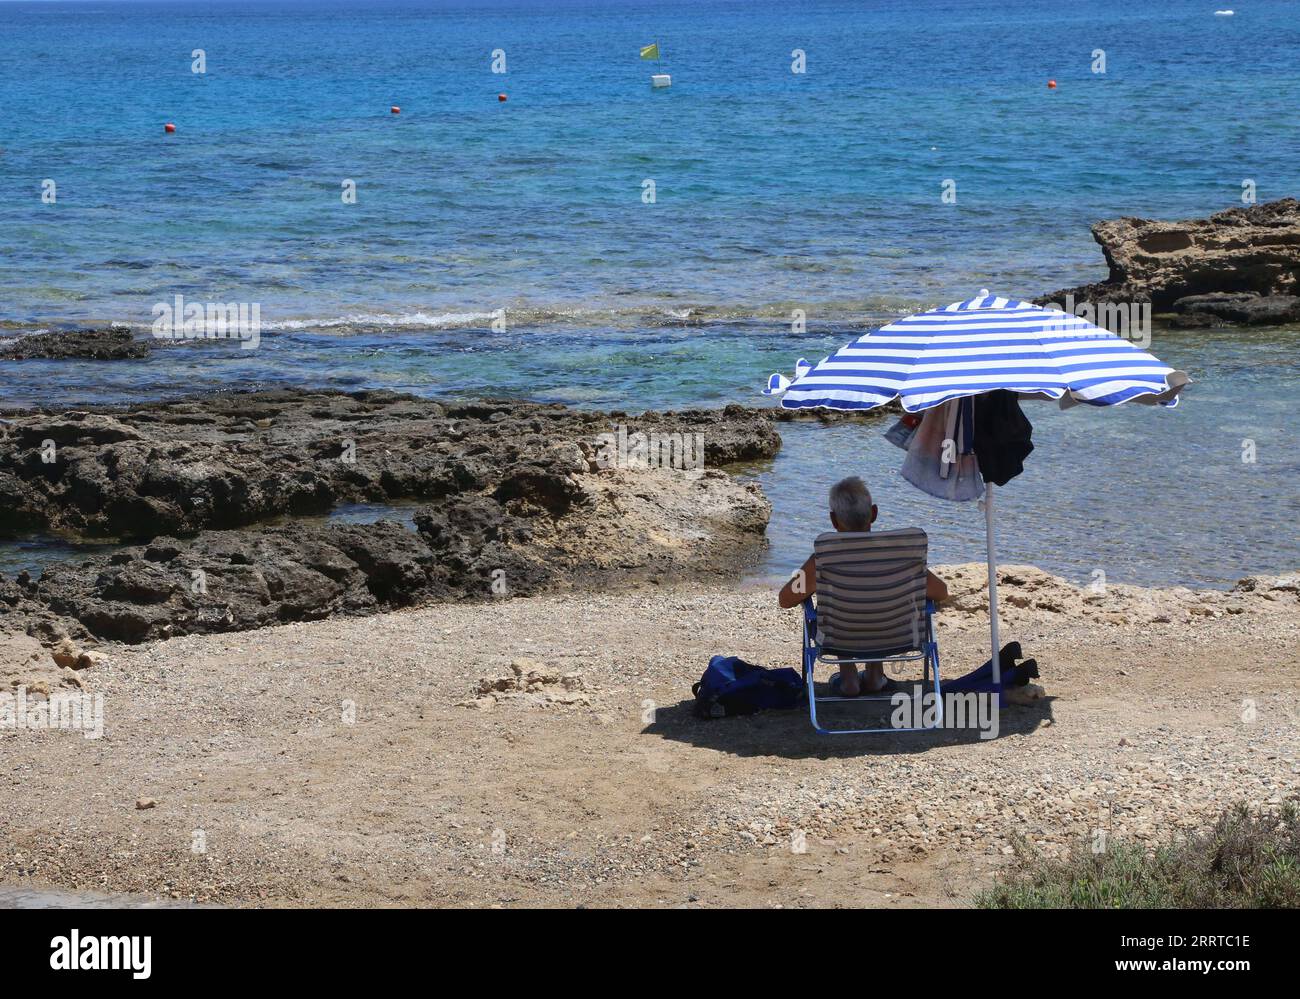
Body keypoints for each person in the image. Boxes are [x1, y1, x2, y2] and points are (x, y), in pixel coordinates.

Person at [777, 476, 948, 696]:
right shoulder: (900, 555)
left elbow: (786, 598)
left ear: (833, 520)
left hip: (838, 638)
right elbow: (941, 592)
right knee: (878, 606)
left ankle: (848, 679)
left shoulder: (822, 559)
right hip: (897, 635)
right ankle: (875, 677)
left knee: (840, 611)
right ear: (874, 513)